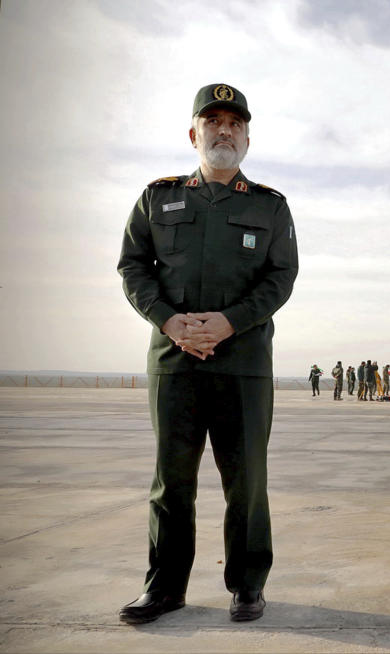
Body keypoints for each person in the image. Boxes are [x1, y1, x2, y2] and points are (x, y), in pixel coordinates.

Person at [117, 83, 297, 624]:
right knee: (171, 481)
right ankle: (165, 587)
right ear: (193, 133)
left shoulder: (270, 206)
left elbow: (281, 277)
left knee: (246, 481)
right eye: (213, 121)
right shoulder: (158, 197)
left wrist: (229, 321)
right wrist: (170, 321)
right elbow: (133, 267)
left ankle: (247, 585)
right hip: (173, 362)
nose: (225, 131)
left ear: (247, 137)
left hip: (242, 365)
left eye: (235, 123)